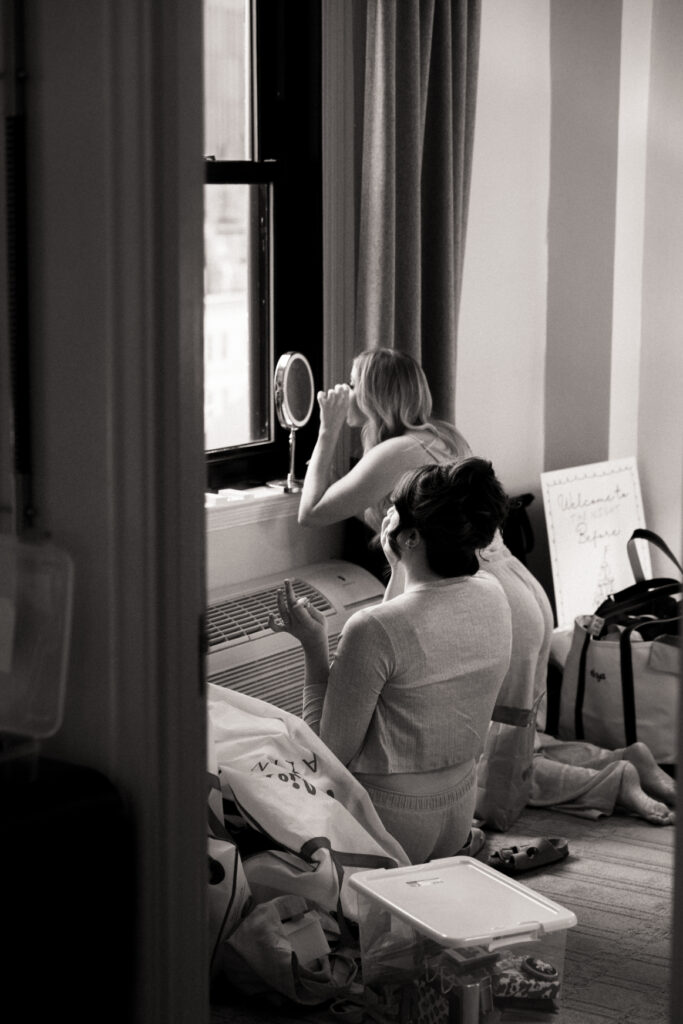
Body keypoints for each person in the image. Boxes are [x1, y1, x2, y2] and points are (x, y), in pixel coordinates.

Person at [270, 460, 513, 864]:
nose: (387, 515)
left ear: (413, 536)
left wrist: (314, 647)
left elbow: (327, 756)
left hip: (390, 820)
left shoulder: (372, 629)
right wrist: (401, 564)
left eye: (395, 509)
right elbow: (411, 619)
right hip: (457, 810)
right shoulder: (493, 592)